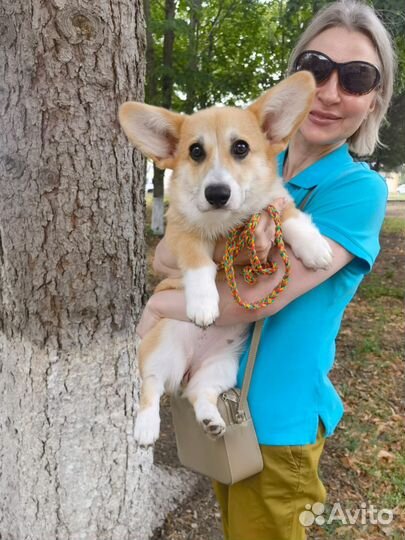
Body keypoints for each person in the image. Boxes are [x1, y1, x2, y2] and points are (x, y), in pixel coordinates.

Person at [136, 1, 396, 538]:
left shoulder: (356, 191)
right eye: (317, 68)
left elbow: (257, 297)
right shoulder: (246, 163)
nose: (328, 91)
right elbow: (168, 251)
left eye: (356, 78)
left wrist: (159, 302)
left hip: (278, 424)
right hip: (220, 409)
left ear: (374, 100)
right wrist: (180, 258)